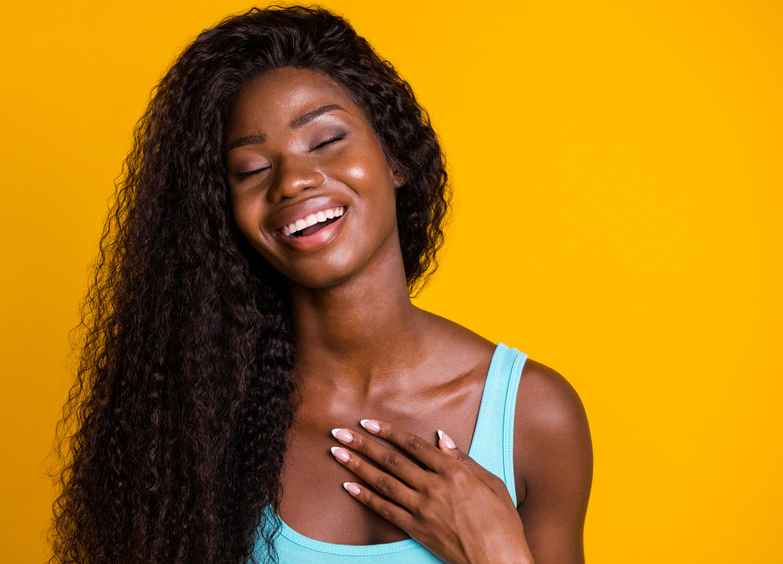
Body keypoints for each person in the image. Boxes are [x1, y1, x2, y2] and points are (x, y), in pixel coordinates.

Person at [52, 6, 593, 564]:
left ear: (395, 157)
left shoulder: (533, 417)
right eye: (252, 168)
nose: (293, 180)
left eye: (327, 138)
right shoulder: (194, 420)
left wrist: (496, 552)